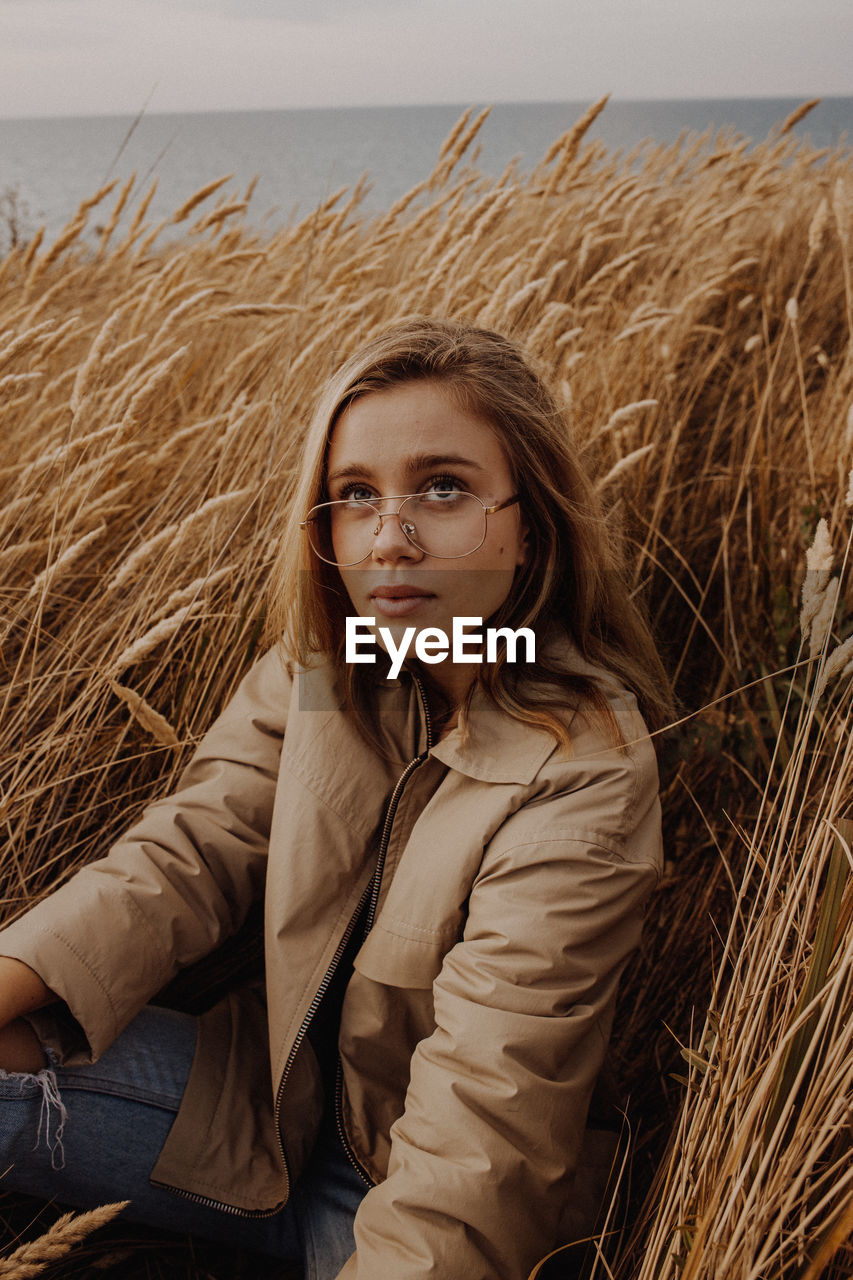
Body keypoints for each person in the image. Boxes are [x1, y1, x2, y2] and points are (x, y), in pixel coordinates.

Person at [0, 317, 673, 1279]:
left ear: (529, 527)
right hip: (263, 1114)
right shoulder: (332, 667)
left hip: (406, 1190)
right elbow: (187, 853)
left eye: (443, 488)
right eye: (356, 496)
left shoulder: (586, 768)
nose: (391, 537)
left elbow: (484, 1122)